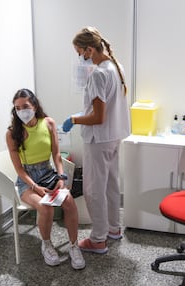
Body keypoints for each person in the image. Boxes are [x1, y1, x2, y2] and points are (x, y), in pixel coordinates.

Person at [62, 26, 130, 254]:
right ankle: (113, 229)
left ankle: (98, 239)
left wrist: (74, 119)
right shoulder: (115, 67)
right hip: (113, 137)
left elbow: (98, 117)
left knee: (93, 190)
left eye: (80, 52)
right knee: (111, 185)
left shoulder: (99, 73)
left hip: (99, 140)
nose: (80, 58)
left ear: (89, 49)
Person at [7, 88, 85, 269]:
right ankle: (47, 244)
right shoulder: (12, 133)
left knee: (69, 202)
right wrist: (35, 187)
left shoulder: (48, 123)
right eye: (17, 108)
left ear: (34, 105)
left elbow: (56, 154)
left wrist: (61, 177)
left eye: (25, 106)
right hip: (27, 181)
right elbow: (19, 169)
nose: (21, 111)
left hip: (48, 174)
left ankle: (74, 246)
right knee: (45, 207)